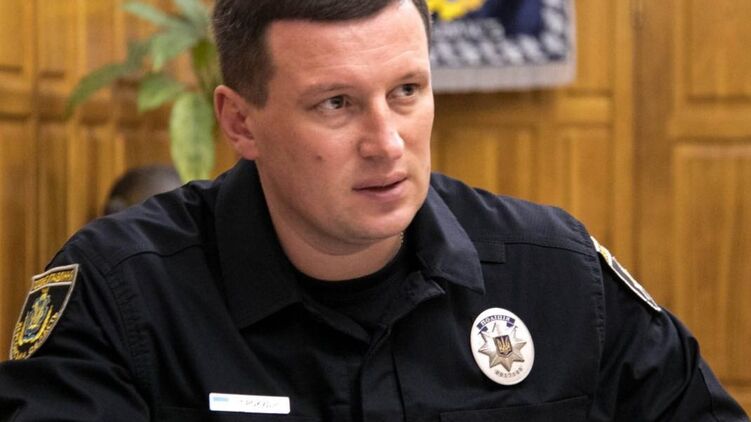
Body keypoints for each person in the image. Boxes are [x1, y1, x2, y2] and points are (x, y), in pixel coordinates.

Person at [0, 0, 747, 420]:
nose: (387, 143)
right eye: (336, 103)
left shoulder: (554, 272)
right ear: (239, 122)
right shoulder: (120, 295)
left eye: (406, 91)